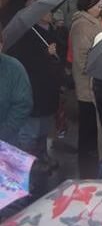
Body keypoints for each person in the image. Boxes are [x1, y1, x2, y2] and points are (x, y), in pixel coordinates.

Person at [11, 10, 63, 162]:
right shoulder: (28, 34)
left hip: (50, 88)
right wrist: (45, 53)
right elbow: (26, 60)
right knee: (32, 130)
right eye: (46, 12)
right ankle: (29, 163)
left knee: (45, 127)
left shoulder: (53, 31)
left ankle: (42, 156)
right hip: (36, 88)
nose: (49, 14)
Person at [69, 0, 102, 179]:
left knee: (92, 131)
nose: (100, 8)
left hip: (93, 84)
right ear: (88, 7)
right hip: (87, 87)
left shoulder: (93, 22)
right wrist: (94, 69)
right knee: (88, 131)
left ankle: (91, 164)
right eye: (97, 5)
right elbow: (81, 58)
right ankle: (86, 170)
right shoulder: (82, 25)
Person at [0, 22, 33, 146]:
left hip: (6, 141)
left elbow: (23, 104)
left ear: (1, 45)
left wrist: (4, 132)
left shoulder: (14, 68)